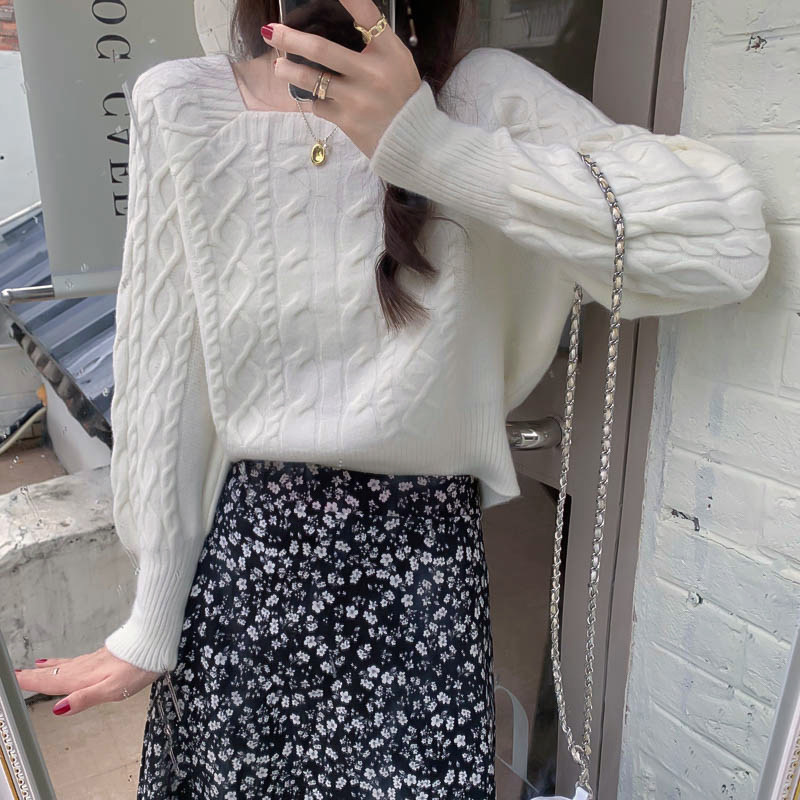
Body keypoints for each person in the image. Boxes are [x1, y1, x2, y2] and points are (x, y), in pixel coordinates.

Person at [14, 0, 771, 797]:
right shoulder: (183, 103)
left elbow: (728, 245)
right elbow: (168, 377)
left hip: (422, 574)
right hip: (249, 573)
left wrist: (430, 148)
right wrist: (152, 617)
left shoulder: (484, 98)